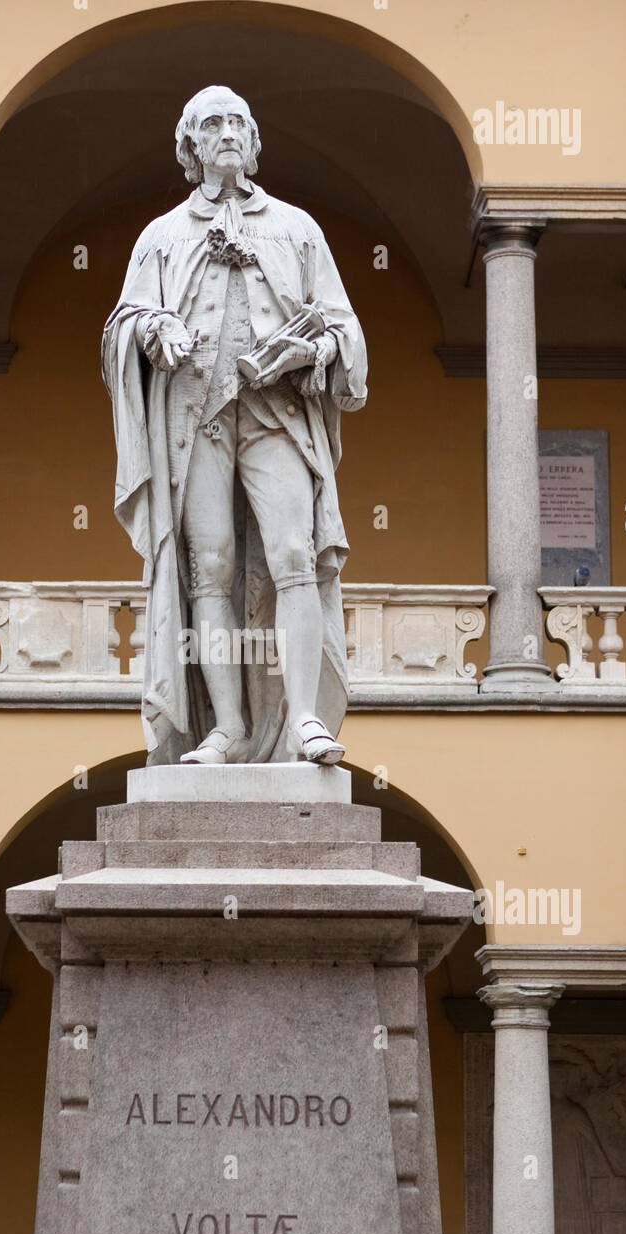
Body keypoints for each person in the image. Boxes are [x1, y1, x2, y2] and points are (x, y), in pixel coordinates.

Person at [103, 86, 367, 764]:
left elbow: (343, 324)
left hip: (274, 413)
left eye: (238, 124)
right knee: (210, 569)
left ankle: (305, 719)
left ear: (252, 143)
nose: (228, 133)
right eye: (213, 123)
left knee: (292, 557)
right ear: (191, 145)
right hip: (197, 422)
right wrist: (154, 327)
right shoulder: (161, 236)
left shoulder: (297, 229)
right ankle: (226, 728)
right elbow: (122, 324)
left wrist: (314, 349)